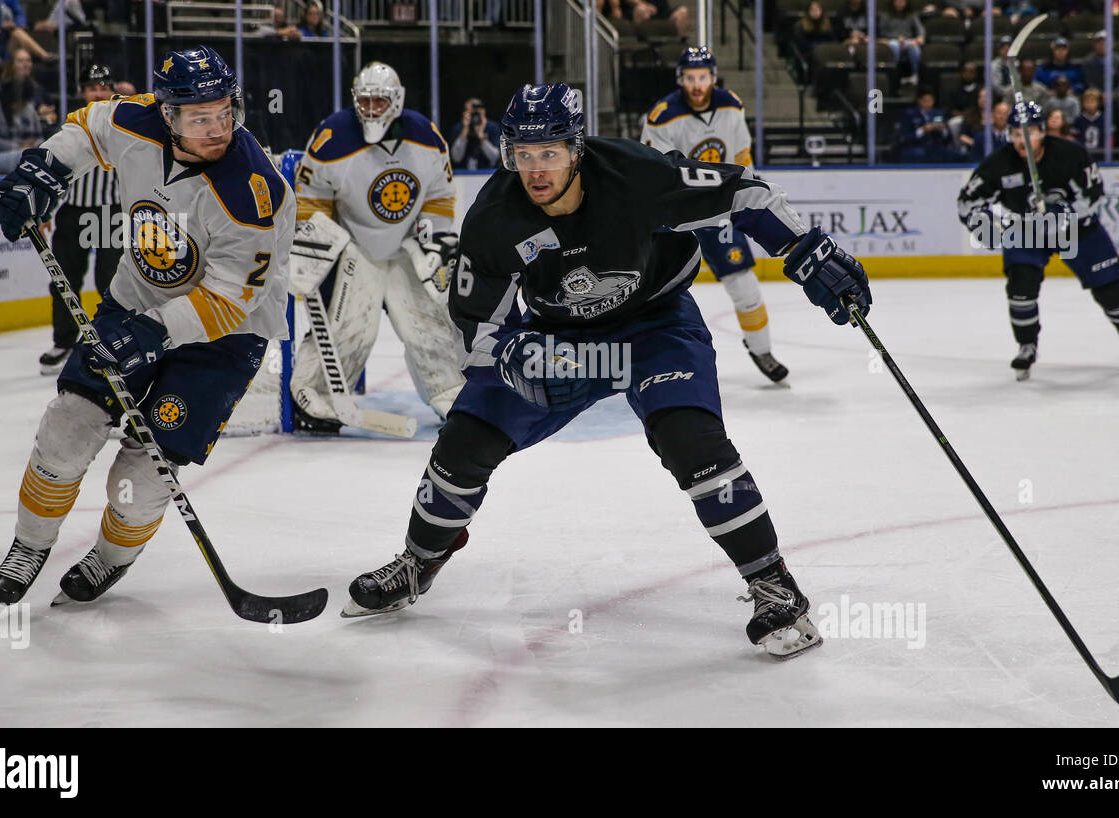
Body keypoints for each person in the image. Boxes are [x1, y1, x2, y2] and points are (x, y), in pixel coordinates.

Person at [343, 81, 873, 659]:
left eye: (548, 153)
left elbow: (742, 193)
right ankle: (419, 562)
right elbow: (472, 322)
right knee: (464, 441)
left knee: (692, 442)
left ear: (576, 150)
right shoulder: (495, 217)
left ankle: (774, 586)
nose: (535, 169)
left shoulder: (634, 175)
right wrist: (514, 353)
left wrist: (808, 249)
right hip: (557, 339)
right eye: (523, 154)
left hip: (655, 325)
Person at [0, 46, 294, 606]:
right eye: (201, 117)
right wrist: (42, 170)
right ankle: (30, 545)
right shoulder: (136, 118)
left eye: (225, 112)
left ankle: (109, 558)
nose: (218, 128)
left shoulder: (254, 190)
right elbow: (84, 129)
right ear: (169, 115)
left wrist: (150, 334)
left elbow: (228, 299)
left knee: (144, 476)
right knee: (68, 427)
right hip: (133, 299)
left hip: (224, 338)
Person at [291, 62, 464, 428]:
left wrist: (431, 240)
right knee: (352, 327)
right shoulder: (332, 135)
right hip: (353, 245)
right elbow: (310, 198)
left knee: (427, 324)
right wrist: (318, 245)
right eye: (365, 101)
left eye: (379, 102)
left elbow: (439, 195)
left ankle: (451, 394)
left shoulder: (426, 136)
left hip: (405, 246)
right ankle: (313, 398)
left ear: (396, 101)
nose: (371, 109)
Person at [957, 101, 1119, 379]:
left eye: (1029, 132)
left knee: (1108, 286)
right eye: (1014, 133)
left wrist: (1066, 214)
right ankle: (1027, 345)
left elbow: (1093, 195)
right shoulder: (998, 165)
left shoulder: (1071, 155)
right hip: (1027, 230)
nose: (1021, 139)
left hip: (1077, 230)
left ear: (1043, 131)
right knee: (1021, 284)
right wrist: (985, 226)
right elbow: (967, 204)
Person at [641, 46, 789, 383]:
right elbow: (654, 173)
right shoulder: (662, 116)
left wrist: (745, 197)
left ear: (713, 77)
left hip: (718, 208)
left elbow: (740, 156)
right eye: (691, 78)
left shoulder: (731, 105)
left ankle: (762, 349)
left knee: (744, 284)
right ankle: (641, 357)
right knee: (649, 289)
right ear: (681, 79)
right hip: (673, 212)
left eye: (703, 77)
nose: (696, 84)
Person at [37, 64, 124, 375]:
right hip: (73, 213)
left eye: (103, 87)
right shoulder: (70, 127)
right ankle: (64, 342)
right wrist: (44, 210)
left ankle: (115, 341)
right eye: (91, 88)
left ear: (112, 89)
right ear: (82, 92)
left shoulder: (124, 125)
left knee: (110, 281)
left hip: (111, 213)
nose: (97, 93)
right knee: (64, 279)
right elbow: (53, 170)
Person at [895, 85, 959, 163]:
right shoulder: (909, 114)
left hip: (936, 147)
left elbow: (948, 138)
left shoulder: (939, 113)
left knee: (954, 154)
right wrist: (923, 130)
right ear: (919, 101)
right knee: (918, 153)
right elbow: (904, 137)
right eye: (925, 101)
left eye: (930, 100)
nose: (928, 103)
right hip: (917, 146)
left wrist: (943, 130)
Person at [447, 97, 502, 170]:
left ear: (483, 111)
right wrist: (464, 132)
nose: (475, 116)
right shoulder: (458, 128)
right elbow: (456, 158)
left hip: (486, 173)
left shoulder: (492, 127)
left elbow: (495, 158)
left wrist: (481, 136)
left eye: (477, 112)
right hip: (463, 175)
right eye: (471, 112)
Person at [879, 0, 925, 85]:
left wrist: (920, 37)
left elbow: (920, 29)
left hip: (907, 40)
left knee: (914, 47)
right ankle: (893, 73)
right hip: (891, 40)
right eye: (898, 1)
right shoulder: (886, 15)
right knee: (895, 45)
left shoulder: (911, 15)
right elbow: (882, 32)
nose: (900, 3)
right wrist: (896, 38)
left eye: (902, 1)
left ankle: (915, 75)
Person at [1082, 31, 1119, 96]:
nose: (1102, 45)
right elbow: (1089, 82)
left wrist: (1112, 94)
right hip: (1095, 95)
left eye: (1105, 42)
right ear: (1094, 44)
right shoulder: (1087, 62)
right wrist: (1100, 94)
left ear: (1112, 44)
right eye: (1099, 43)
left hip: (1115, 95)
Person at [1073, 88, 1104, 157]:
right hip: (1083, 155)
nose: (1089, 104)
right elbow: (1076, 139)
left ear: (1098, 103)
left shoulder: (1104, 119)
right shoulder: (1079, 120)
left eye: (1092, 101)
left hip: (1101, 155)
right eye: (1087, 101)